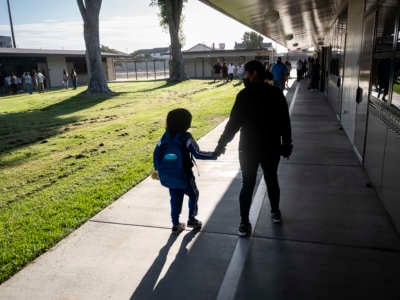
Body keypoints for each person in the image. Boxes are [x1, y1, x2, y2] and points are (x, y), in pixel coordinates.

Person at [214, 60, 293, 237]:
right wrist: (286, 143)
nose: (244, 76)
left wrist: (221, 144)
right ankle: (275, 212)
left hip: (248, 148)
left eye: (245, 73)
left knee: (247, 184)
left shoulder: (244, 95)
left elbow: (233, 124)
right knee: (271, 179)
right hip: (271, 147)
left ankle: (244, 223)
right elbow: (284, 121)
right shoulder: (276, 93)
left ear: (254, 73)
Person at [153, 108, 216, 233]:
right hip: (184, 175)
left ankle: (176, 224)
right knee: (193, 194)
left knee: (175, 198)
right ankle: (192, 219)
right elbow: (197, 154)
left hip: (170, 175)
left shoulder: (165, 137)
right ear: (186, 124)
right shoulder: (186, 137)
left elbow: (156, 153)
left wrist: (157, 170)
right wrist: (214, 154)